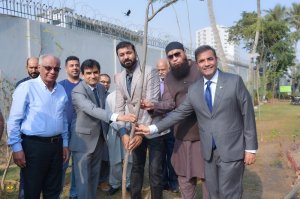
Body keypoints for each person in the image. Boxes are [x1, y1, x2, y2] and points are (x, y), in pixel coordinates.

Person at [136, 45, 258, 199]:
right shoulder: (195, 89)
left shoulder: (234, 81)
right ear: (198, 64)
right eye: (202, 61)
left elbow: (247, 114)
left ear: (216, 60)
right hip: (207, 151)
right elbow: (179, 113)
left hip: (232, 148)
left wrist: (251, 148)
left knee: (231, 193)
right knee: (213, 193)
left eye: (209, 59)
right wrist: (152, 128)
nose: (206, 64)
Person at [142, 44, 208, 199]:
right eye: (170, 56)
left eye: (177, 54)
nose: (174, 58)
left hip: (204, 134)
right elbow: (169, 103)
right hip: (182, 135)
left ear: (185, 53)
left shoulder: (200, 69)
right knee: (184, 178)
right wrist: (153, 105)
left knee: (208, 178)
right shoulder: (170, 77)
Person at [69, 59, 136, 199]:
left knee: (94, 177)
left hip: (99, 140)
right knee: (83, 180)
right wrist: (118, 117)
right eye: (88, 73)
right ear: (82, 74)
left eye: (95, 72)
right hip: (83, 142)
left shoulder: (100, 88)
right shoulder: (77, 91)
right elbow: (92, 109)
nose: (92, 76)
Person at [7, 54, 69, 199]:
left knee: (53, 190)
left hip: (56, 146)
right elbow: (14, 120)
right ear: (40, 67)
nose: (52, 71)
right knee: (31, 190)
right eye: (48, 68)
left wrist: (65, 143)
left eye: (56, 69)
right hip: (33, 147)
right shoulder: (26, 88)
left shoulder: (61, 90)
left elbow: (63, 119)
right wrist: (16, 148)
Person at [115, 41, 168, 199]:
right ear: (118, 57)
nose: (126, 57)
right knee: (136, 168)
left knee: (154, 171)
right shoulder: (119, 78)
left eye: (129, 53)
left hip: (154, 129)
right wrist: (124, 133)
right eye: (122, 55)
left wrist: (140, 133)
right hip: (134, 129)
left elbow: (150, 104)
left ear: (136, 53)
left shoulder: (149, 71)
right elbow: (118, 110)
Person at [15, 56, 40, 199]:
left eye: (36, 67)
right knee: (26, 174)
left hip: (43, 140)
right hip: (26, 138)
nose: (34, 70)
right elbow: (16, 115)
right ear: (27, 68)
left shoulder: (48, 84)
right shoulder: (21, 85)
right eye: (31, 67)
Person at [154, 58, 179, 193]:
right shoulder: (153, 84)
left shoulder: (174, 83)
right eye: (158, 70)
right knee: (160, 156)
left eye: (163, 69)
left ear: (168, 69)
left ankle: (174, 182)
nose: (160, 72)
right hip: (158, 126)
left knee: (172, 156)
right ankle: (163, 182)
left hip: (172, 125)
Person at [105, 73, 132, 195]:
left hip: (130, 132)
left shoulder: (133, 95)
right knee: (115, 160)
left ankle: (128, 183)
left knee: (130, 160)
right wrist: (120, 129)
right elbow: (108, 116)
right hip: (114, 131)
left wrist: (128, 129)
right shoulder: (110, 97)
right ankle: (115, 183)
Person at [59, 55, 81, 199]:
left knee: (78, 167)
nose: (75, 67)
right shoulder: (60, 86)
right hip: (63, 132)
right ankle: (57, 193)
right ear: (66, 68)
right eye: (72, 65)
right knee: (62, 165)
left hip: (81, 132)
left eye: (77, 65)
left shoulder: (85, 85)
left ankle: (75, 193)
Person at [98, 73, 112, 192]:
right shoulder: (92, 95)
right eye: (102, 81)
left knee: (105, 159)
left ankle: (103, 181)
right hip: (93, 133)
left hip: (107, 132)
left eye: (107, 82)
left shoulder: (111, 97)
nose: (105, 84)